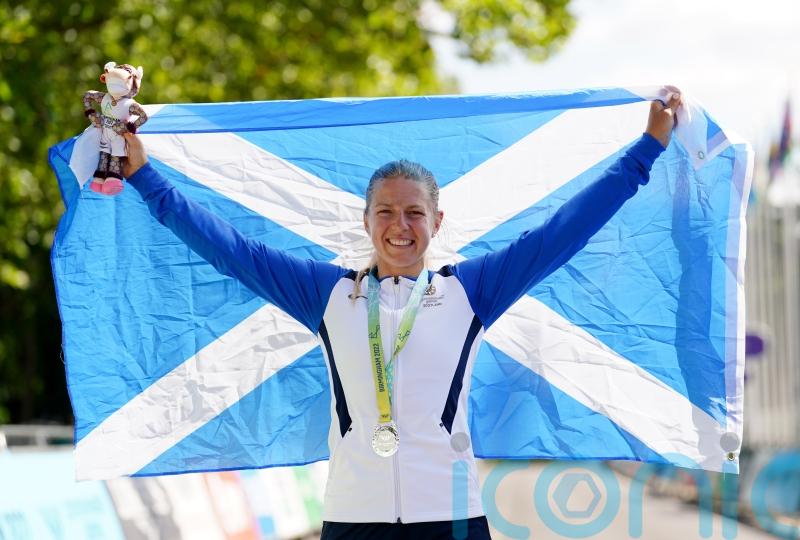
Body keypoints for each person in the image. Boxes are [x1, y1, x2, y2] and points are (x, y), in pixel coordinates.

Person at [121, 91, 681, 540]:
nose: (400, 226)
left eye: (415, 212)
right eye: (386, 211)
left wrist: (646, 151)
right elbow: (231, 250)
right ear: (366, 221)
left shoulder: (471, 291)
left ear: (437, 222)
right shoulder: (327, 294)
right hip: (353, 517)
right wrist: (146, 177)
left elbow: (563, 232)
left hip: (451, 515)